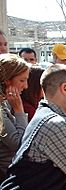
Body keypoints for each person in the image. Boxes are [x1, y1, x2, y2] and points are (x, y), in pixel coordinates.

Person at [0, 53, 29, 182]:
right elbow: (19, 144)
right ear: (7, 80)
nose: (26, 86)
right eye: (22, 80)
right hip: (8, 175)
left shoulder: (5, 102)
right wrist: (19, 110)